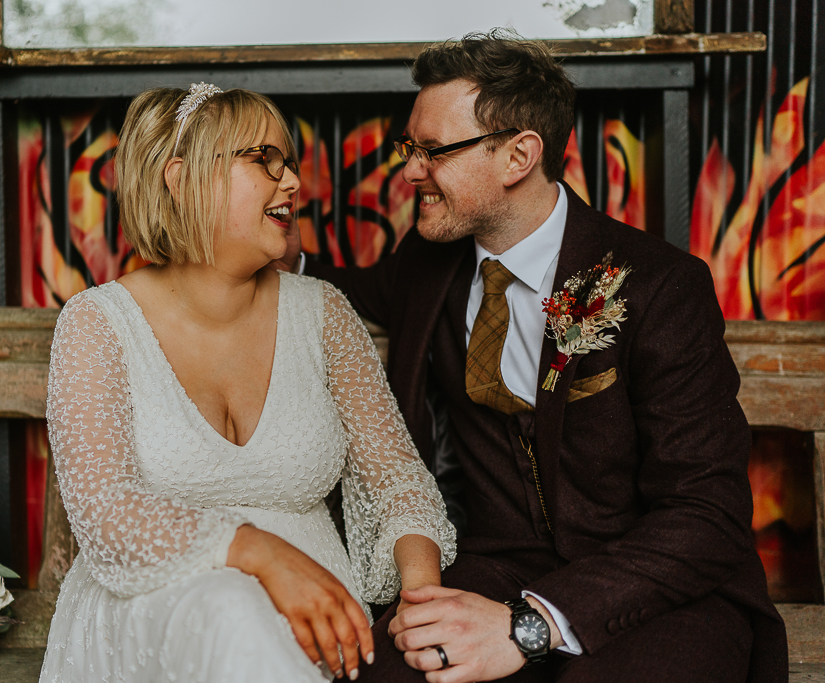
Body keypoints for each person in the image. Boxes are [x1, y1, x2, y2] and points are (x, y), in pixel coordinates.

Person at [290, 31, 787, 683]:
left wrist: (532, 623)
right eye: (410, 148)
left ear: (519, 154)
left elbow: (706, 517)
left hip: (661, 589)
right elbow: (353, 292)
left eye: (432, 151)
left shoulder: (659, 285)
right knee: (382, 672)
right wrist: (274, 256)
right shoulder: (428, 261)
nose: (410, 170)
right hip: (493, 565)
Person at [38, 84, 457, 683]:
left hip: (322, 625)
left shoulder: (325, 314)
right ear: (180, 180)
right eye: (265, 160)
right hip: (154, 613)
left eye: (289, 163)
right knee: (232, 608)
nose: (291, 183)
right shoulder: (96, 324)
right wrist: (258, 553)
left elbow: (400, 485)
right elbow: (106, 513)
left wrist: (422, 604)